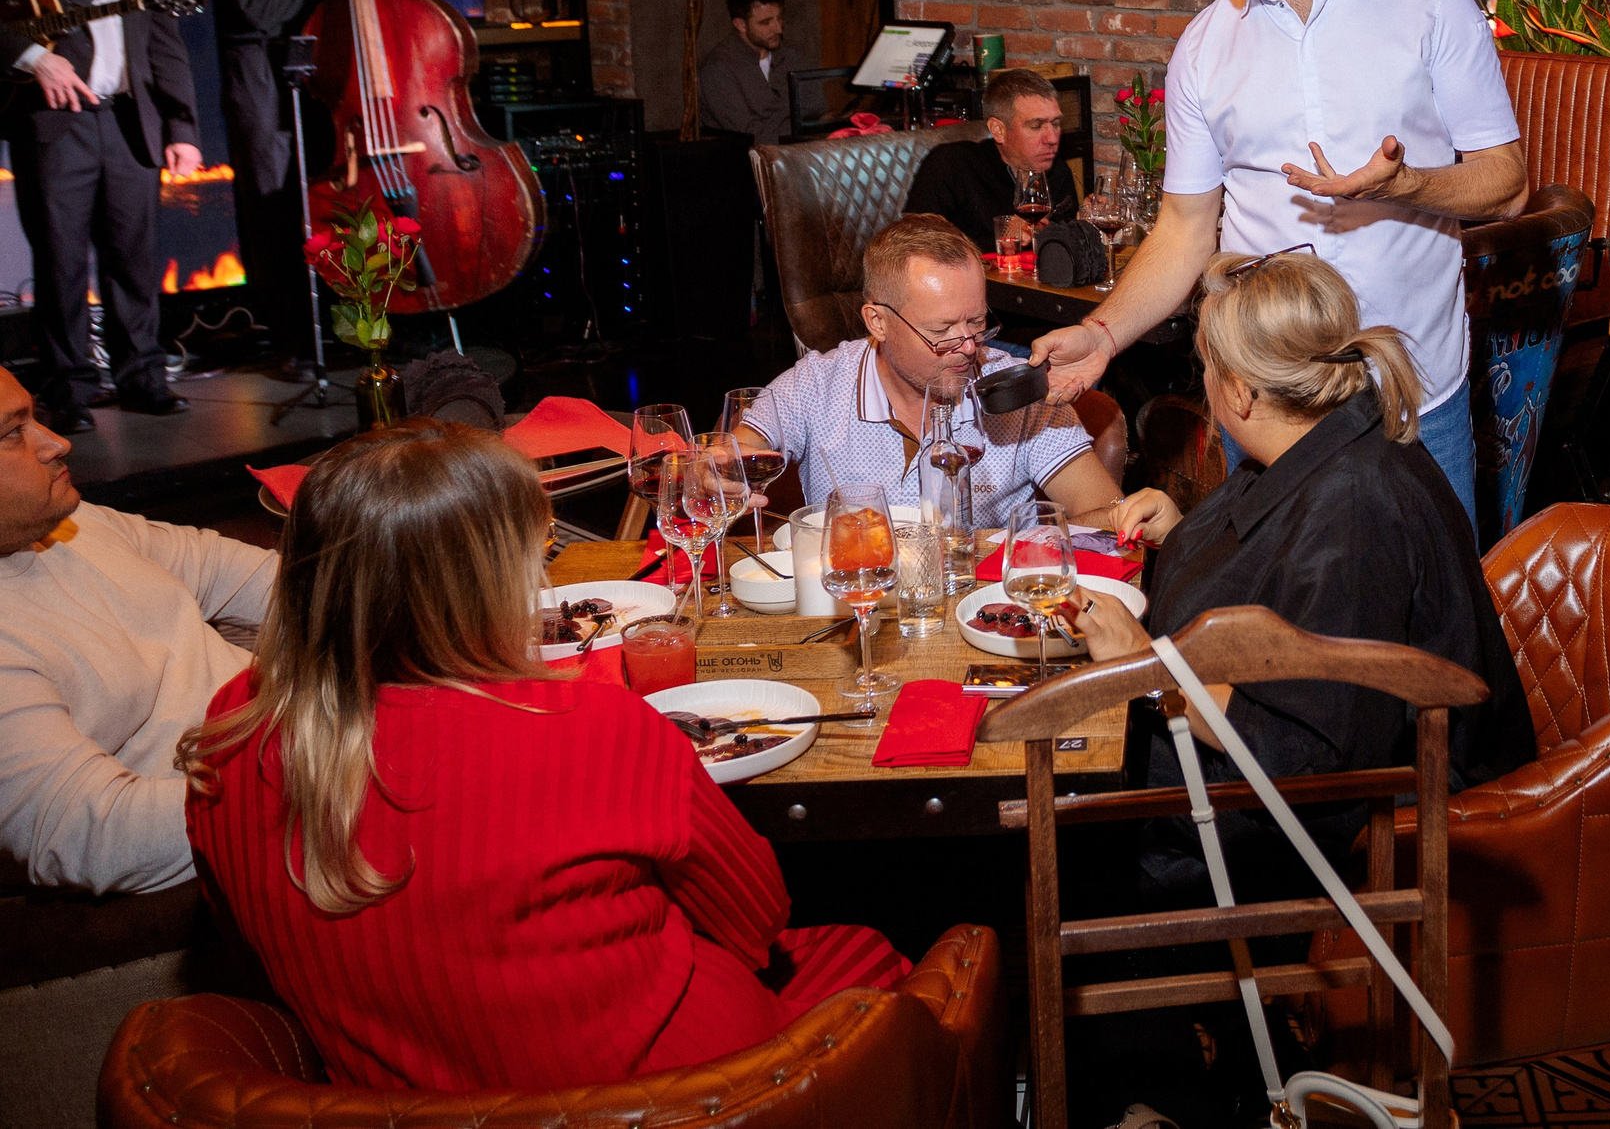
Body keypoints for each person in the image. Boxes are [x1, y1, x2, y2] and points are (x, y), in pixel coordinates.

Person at [181, 419, 910, 1091]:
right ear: (486, 583)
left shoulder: (226, 740)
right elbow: (757, 919)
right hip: (690, 1094)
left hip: (411, 1098)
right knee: (870, 954)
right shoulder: (591, 728)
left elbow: (257, 955)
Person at [1059, 251, 1534, 1129]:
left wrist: (1146, 666)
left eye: (1205, 365)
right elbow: (1268, 571)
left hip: (1355, 814)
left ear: (1239, 392)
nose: (1201, 383)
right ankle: (1167, 1077)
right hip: (1299, 771)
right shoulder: (1319, 444)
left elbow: (1303, 753)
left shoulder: (1355, 507)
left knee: (1083, 860)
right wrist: (1185, 525)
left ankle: (1159, 1099)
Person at [1028, 0, 1528, 524]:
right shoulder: (1204, 44)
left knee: (1429, 627)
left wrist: (1407, 184)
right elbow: (1185, 226)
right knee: (1269, 624)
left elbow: (1508, 183)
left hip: (1413, 396)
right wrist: (1102, 334)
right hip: (1264, 407)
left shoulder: (1428, 1)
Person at [0, 368, 274, 893]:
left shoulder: (66, 525)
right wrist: (317, 776)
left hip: (300, 739)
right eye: (13, 432)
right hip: (259, 826)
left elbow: (238, 575)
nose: (57, 444)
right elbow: (88, 833)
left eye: (36, 418)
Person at [0, 0, 204, 431]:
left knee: (133, 259)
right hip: (52, 125)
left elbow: (167, 54)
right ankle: (69, 390)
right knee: (61, 259)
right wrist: (35, 58)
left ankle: (143, 377)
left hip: (127, 124)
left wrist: (183, 128)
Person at [195, 0, 411, 353]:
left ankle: (361, 325)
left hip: (333, 74)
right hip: (261, 77)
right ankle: (296, 338)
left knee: (340, 198)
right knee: (275, 205)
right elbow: (256, 12)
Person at [740, 214, 1120, 523]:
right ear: (878, 322)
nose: (969, 347)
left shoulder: (1016, 390)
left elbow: (1105, 511)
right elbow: (737, 453)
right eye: (941, 331)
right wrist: (720, 475)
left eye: (976, 322)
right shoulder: (816, 385)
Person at [903, 66, 1082, 255]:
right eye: (1036, 126)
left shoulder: (1057, 171)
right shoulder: (950, 165)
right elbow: (913, 245)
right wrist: (1001, 238)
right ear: (998, 130)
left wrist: (1082, 226)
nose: (1052, 139)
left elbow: (1066, 245)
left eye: (1055, 124)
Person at [697, 0, 812, 147]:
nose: (778, 28)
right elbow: (749, 133)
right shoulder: (718, 69)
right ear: (740, 24)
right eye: (766, 22)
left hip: (798, 155)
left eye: (779, 18)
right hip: (745, 165)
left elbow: (814, 113)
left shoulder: (791, 56)